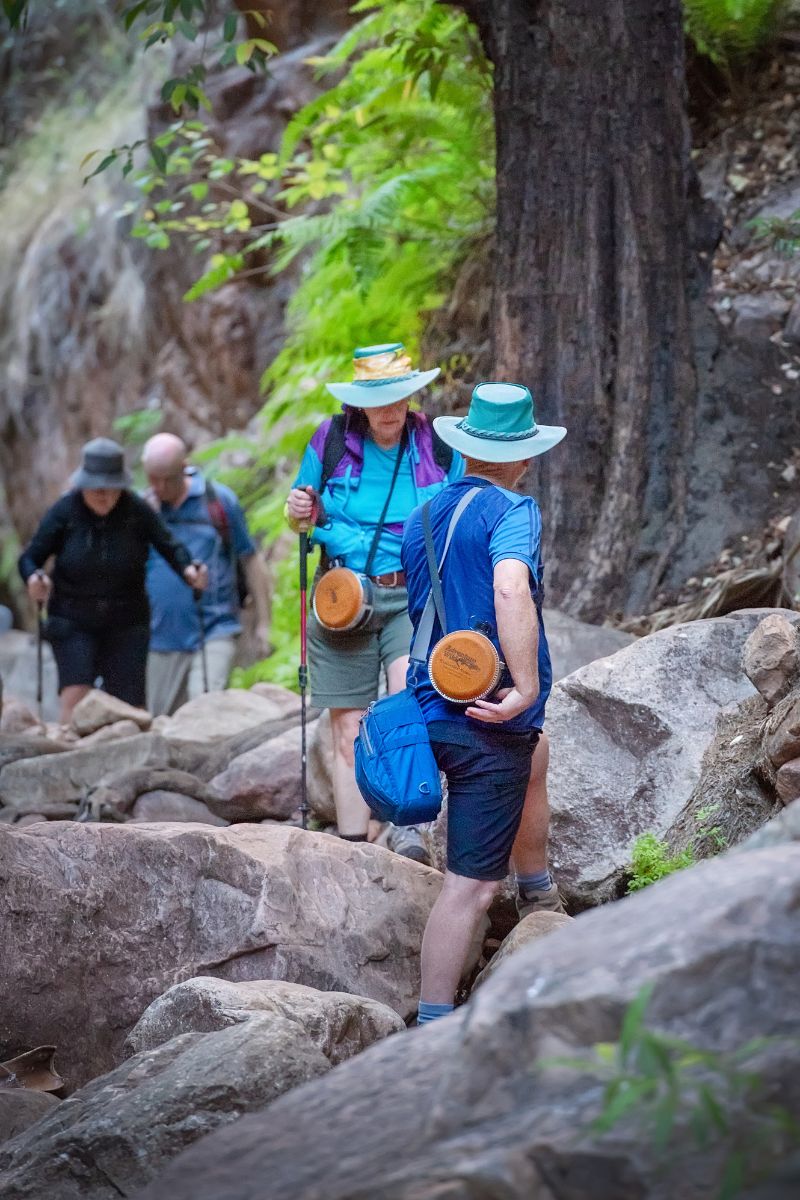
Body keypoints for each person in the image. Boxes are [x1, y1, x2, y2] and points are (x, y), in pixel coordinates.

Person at [400, 382, 566, 1025]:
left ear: (465, 450)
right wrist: (523, 688)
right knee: (469, 887)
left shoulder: (422, 515)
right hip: (487, 714)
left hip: (428, 699)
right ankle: (435, 1023)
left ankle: (536, 889)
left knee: (539, 751)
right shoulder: (513, 510)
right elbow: (507, 587)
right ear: (524, 456)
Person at [286, 343, 464, 856]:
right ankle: (351, 847)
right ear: (359, 402)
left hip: (410, 595)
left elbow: (455, 513)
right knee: (347, 727)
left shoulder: (436, 446)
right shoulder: (333, 440)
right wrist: (300, 510)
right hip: (341, 598)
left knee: (401, 704)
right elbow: (299, 516)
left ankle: (406, 827)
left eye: (400, 397)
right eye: (379, 399)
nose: (390, 409)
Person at [18, 438, 206, 725]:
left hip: (127, 621)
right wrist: (34, 578)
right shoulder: (65, 512)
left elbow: (170, 546)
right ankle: (71, 754)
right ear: (83, 486)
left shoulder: (136, 510)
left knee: (129, 703)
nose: (104, 496)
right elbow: (31, 557)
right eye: (97, 490)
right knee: (75, 692)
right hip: (72, 618)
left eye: (112, 489)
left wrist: (188, 571)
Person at [142, 433, 271, 716]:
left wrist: (264, 623)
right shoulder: (143, 509)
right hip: (160, 636)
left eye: (169, 479)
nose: (161, 487)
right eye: (154, 479)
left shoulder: (218, 502)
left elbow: (250, 560)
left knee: (203, 712)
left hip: (214, 628)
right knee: (161, 721)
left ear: (185, 467)